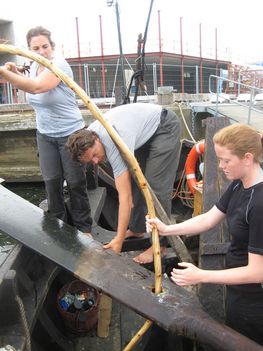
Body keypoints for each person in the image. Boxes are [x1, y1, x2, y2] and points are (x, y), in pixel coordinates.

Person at [146, 123, 263, 345]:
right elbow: (209, 219)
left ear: (247, 158)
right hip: (238, 291)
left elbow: (258, 272)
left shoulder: (259, 203)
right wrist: (166, 228)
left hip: (255, 303)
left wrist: (202, 275)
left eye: (226, 160)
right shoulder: (239, 185)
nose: (220, 166)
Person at [0, 26, 92, 235]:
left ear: (52, 46)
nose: (41, 52)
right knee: (52, 181)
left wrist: (4, 72)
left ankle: (84, 227)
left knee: (76, 181)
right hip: (45, 134)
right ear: (28, 49)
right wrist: (13, 72)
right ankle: (57, 226)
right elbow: (29, 83)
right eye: (36, 48)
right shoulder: (33, 66)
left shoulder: (58, 65)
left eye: (45, 46)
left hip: (71, 134)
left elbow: (37, 88)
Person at [66, 102, 182, 262]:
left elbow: (125, 198)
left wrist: (119, 239)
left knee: (155, 188)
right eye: (90, 161)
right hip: (143, 134)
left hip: (164, 127)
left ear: (96, 139)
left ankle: (160, 245)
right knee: (136, 180)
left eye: (94, 155)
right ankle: (137, 228)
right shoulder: (89, 134)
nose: (95, 161)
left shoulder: (114, 141)